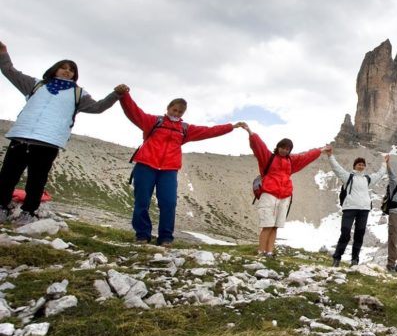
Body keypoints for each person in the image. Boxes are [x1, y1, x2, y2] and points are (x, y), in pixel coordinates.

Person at [0, 40, 125, 224]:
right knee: (7, 176)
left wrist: (116, 95)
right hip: (22, 136)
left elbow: (98, 107)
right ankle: (1, 208)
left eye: (71, 69)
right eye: (63, 67)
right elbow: (10, 71)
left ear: (75, 75)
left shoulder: (78, 93)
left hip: (48, 142)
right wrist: (3, 52)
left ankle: (28, 212)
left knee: (36, 180)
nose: (67, 71)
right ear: (54, 69)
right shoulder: (36, 85)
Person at [120, 92, 244, 246]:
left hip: (169, 170)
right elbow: (134, 112)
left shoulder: (184, 129)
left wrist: (231, 127)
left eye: (180, 112)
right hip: (145, 165)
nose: (176, 114)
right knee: (142, 201)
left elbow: (208, 131)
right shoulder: (153, 121)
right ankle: (142, 235)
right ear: (168, 108)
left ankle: (165, 238)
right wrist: (124, 96)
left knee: (169, 203)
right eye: (174, 110)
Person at [244, 124, 323, 257]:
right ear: (278, 147)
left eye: (287, 149)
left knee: (275, 226)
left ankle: (269, 252)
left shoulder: (291, 161)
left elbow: (306, 157)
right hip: (269, 194)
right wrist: (250, 132)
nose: (284, 150)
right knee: (267, 225)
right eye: (283, 147)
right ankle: (261, 251)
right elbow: (258, 146)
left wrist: (321, 150)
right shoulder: (268, 158)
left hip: (285, 196)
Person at [324, 146, 387, 267]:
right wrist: (330, 155)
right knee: (345, 233)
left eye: (363, 164)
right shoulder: (348, 177)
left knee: (359, 234)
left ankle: (354, 260)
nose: (361, 166)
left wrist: (384, 163)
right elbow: (337, 168)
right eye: (359, 164)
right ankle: (337, 258)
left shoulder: (368, 179)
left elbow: (380, 174)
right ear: (354, 166)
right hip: (349, 208)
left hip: (364, 209)